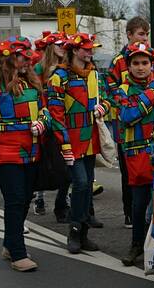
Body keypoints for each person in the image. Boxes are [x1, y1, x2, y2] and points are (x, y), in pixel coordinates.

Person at [0, 36, 48, 272]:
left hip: (30, 152)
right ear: (9, 59)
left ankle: (9, 243)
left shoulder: (32, 82)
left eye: (28, 58)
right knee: (15, 199)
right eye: (22, 58)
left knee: (25, 198)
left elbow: (45, 109)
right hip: (4, 154)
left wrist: (42, 123)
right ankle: (17, 253)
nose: (27, 62)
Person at [47, 32, 110, 254]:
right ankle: (74, 231)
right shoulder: (59, 76)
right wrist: (63, 143)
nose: (90, 52)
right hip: (71, 141)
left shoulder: (95, 75)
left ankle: (82, 234)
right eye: (86, 49)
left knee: (85, 188)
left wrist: (105, 107)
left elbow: (107, 97)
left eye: (92, 49)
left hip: (90, 139)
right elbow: (55, 113)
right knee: (81, 184)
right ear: (75, 50)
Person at [114, 42, 154, 266]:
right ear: (128, 66)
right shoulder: (123, 90)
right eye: (135, 63)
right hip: (136, 154)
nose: (140, 67)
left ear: (152, 64)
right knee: (139, 203)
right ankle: (137, 243)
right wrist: (152, 96)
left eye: (145, 63)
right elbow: (127, 116)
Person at [106, 16, 151, 229]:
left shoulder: (152, 57)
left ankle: (149, 213)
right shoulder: (118, 61)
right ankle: (129, 213)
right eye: (141, 34)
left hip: (150, 123)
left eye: (146, 34)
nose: (144, 38)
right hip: (126, 123)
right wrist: (127, 102)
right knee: (128, 171)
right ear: (130, 35)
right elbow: (111, 88)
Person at [32, 31, 72, 223]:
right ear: (50, 47)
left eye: (65, 45)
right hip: (47, 122)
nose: (62, 48)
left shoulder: (69, 67)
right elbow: (36, 94)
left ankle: (62, 203)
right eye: (58, 44)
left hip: (66, 121)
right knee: (46, 163)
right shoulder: (40, 68)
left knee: (67, 168)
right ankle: (39, 197)